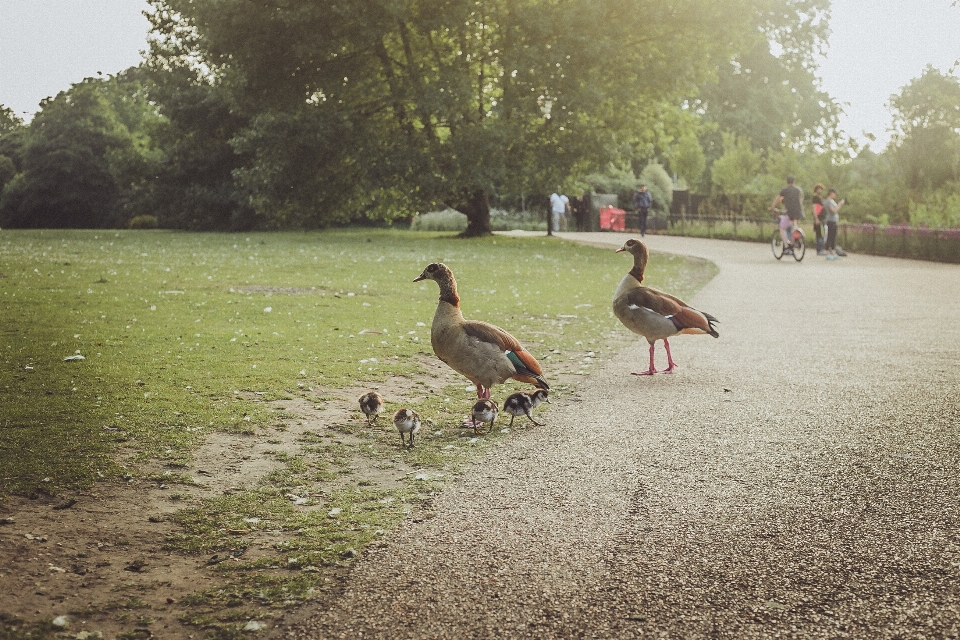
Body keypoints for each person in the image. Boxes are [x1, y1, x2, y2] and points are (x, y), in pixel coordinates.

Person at [769, 175, 804, 255]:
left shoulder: (784, 190)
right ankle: (795, 240)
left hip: (789, 211)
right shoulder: (798, 190)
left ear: (787, 182)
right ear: (794, 182)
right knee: (794, 226)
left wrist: (772, 207)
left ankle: (786, 246)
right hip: (798, 211)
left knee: (782, 228)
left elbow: (778, 198)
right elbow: (800, 200)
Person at [823, 188, 845, 260]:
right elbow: (834, 211)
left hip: (834, 221)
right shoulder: (828, 201)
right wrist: (840, 205)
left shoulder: (832, 201)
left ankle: (833, 251)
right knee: (830, 236)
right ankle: (827, 251)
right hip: (831, 221)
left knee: (833, 237)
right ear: (831, 193)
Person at [811, 183, 826, 255]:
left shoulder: (820, 197)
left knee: (823, 233)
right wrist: (816, 218)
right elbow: (814, 208)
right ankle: (819, 249)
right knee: (819, 234)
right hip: (819, 218)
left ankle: (821, 248)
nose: (820, 190)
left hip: (822, 217)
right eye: (819, 189)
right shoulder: (815, 198)